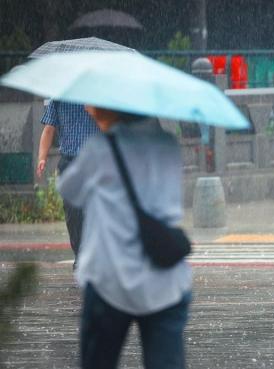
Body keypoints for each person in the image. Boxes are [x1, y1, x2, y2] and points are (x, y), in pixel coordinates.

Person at [57, 106, 192, 369]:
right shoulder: (167, 146)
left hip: (109, 278)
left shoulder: (98, 149)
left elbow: (69, 190)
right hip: (164, 280)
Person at [37, 100, 100, 269]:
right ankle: (80, 257)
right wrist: (42, 157)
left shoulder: (99, 95)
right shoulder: (58, 98)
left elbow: (111, 127)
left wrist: (94, 110)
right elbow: (49, 129)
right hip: (69, 162)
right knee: (73, 213)